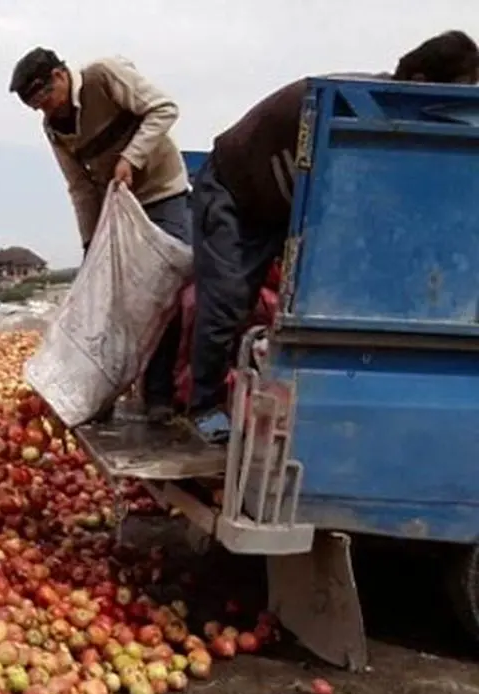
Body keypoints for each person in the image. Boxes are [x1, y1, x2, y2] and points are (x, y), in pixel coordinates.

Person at [184, 30, 479, 440]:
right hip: (232, 190)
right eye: (459, 92)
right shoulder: (354, 104)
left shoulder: (399, 122)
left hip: (281, 208)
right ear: (423, 80)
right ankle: (204, 409)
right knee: (228, 299)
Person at [9, 47, 191, 424]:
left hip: (161, 193)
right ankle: (99, 392)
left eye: (45, 96)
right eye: (35, 106)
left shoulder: (103, 77)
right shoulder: (54, 127)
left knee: (165, 292)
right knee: (108, 303)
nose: (45, 108)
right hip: (115, 208)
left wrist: (132, 158)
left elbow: (164, 109)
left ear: (61, 75)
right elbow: (80, 187)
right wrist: (91, 244)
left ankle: (160, 396)